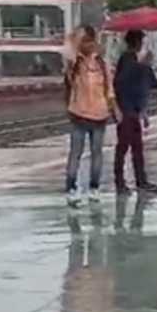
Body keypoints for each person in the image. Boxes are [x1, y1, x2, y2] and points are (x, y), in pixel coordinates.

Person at [64, 26, 118, 207]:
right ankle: (71, 189)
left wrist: (114, 110)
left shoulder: (103, 64)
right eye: (83, 41)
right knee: (75, 154)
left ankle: (94, 188)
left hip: (99, 115)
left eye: (89, 41)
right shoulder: (75, 63)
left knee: (97, 154)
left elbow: (109, 90)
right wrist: (75, 38)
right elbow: (67, 49)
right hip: (78, 114)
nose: (86, 45)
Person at [113, 29, 157, 195]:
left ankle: (140, 180)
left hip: (133, 110)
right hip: (127, 110)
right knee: (125, 147)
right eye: (141, 41)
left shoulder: (130, 60)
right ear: (138, 42)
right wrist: (144, 65)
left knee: (136, 148)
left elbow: (151, 83)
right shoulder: (128, 60)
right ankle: (122, 182)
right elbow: (123, 83)